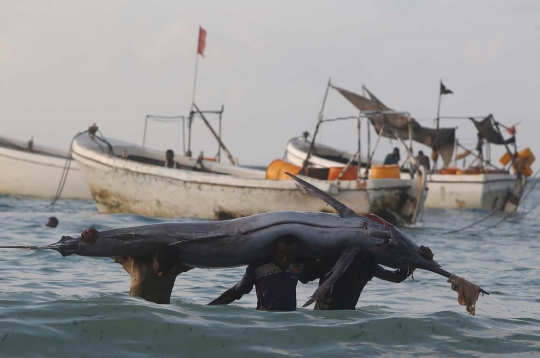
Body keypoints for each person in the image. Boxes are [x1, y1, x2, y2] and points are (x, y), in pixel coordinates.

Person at [80, 227, 192, 304]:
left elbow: (202, 261)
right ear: (153, 258)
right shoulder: (137, 265)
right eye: (159, 269)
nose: (161, 274)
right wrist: (93, 236)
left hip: (163, 315)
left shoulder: (174, 268)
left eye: (166, 271)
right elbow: (108, 250)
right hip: (136, 312)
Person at [208, 235, 318, 311]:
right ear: (274, 251)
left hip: (290, 320)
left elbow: (311, 276)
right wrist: (209, 308)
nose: (285, 260)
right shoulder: (258, 266)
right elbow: (237, 291)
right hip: (265, 319)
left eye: (290, 256)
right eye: (282, 255)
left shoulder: (298, 265)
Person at [311, 245, 434, 310]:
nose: (359, 284)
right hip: (322, 317)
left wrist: (418, 258)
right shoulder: (333, 263)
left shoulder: (369, 265)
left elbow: (395, 277)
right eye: (356, 280)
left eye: (362, 282)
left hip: (348, 318)